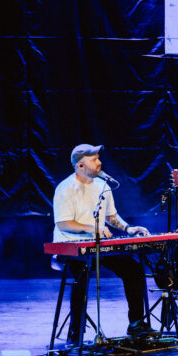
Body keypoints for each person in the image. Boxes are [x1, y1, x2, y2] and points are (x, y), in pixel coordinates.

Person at [52, 144, 154, 341]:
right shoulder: (65, 188)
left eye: (98, 158)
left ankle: (136, 324)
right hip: (72, 246)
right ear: (80, 165)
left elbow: (111, 217)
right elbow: (63, 223)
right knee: (81, 276)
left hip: (98, 244)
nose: (99, 162)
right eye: (94, 159)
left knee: (133, 269)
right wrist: (92, 228)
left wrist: (128, 228)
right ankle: (75, 334)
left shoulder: (103, 185)